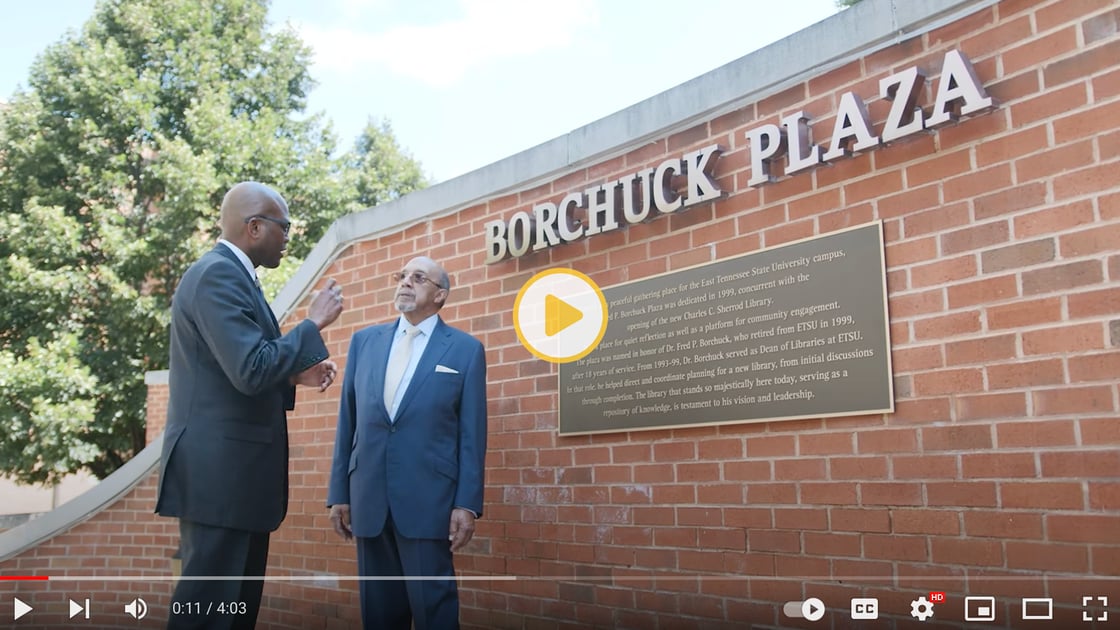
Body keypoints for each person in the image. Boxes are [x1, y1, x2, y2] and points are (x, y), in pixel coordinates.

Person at [155, 181, 345, 630]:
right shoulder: (217, 274)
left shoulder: (237, 277)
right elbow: (249, 369)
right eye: (285, 226)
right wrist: (312, 324)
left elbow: (241, 370)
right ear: (255, 226)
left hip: (235, 483)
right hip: (220, 481)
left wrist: (294, 374)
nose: (288, 235)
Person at [328, 255, 488, 630]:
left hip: (428, 503)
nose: (405, 282)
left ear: (441, 295)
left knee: (435, 613)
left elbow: (472, 434)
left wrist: (467, 503)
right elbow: (347, 422)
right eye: (402, 276)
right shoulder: (364, 342)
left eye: (419, 278)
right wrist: (339, 492)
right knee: (380, 615)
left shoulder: (465, 350)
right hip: (368, 500)